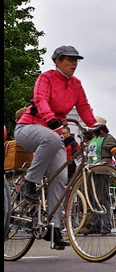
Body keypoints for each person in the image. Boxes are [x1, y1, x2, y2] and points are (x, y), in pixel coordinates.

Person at [14, 45, 98, 249]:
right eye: (69, 59)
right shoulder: (47, 78)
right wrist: (50, 118)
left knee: (60, 178)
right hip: (29, 127)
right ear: (57, 61)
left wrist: (95, 126)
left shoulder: (76, 84)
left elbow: (84, 107)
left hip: (53, 133)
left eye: (76, 60)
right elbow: (40, 99)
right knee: (52, 139)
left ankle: (53, 229)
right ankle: (29, 183)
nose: (74, 64)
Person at [82, 116, 116, 235]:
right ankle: (95, 225)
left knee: (102, 199)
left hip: (101, 171)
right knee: (92, 200)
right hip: (91, 171)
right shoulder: (94, 139)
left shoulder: (108, 139)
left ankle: (106, 225)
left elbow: (115, 151)